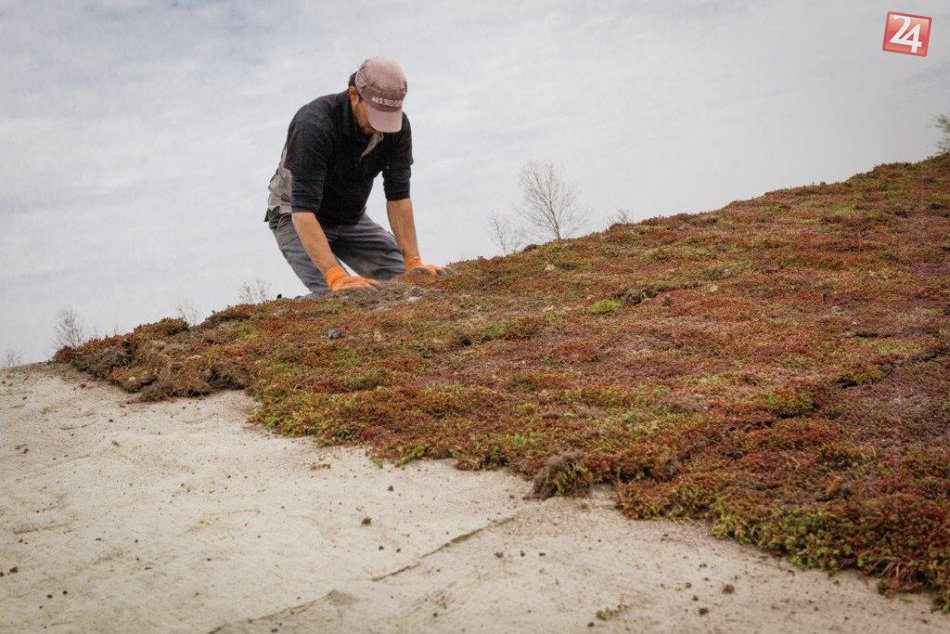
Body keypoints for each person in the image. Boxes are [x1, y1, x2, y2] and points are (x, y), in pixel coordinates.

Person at [264, 57, 446, 297]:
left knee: (409, 282)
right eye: (375, 115)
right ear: (353, 94)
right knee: (341, 295)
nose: (381, 127)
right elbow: (303, 211)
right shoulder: (314, 124)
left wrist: (412, 261)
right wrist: (336, 276)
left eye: (389, 117)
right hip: (296, 214)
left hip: (350, 217)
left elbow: (398, 197)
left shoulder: (398, 128)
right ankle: (289, 311)